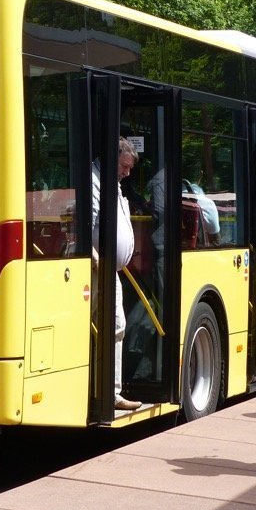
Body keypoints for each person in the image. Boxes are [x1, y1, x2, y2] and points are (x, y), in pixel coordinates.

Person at [92, 137, 141, 411]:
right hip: (98, 269)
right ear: (113, 159)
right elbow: (85, 225)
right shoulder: (94, 181)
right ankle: (107, 393)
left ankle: (111, 391)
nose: (127, 172)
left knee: (116, 326)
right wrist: (98, 262)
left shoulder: (112, 183)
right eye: (124, 166)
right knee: (113, 325)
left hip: (110, 269)